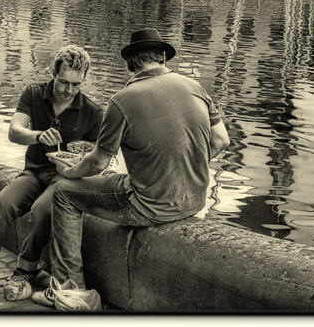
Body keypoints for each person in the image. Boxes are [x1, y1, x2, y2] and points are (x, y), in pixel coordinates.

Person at [32, 29, 231, 307]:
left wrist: (68, 172)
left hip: (152, 205)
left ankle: (71, 291)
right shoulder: (195, 86)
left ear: (131, 64)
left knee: (64, 193)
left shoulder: (122, 100)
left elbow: (98, 162)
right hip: (194, 199)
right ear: (163, 58)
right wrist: (186, 165)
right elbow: (221, 140)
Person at [0, 45, 105, 293]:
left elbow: (99, 157)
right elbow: (15, 132)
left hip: (65, 179)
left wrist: (81, 156)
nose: (69, 90)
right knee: (1, 203)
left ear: (84, 80)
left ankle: (27, 266)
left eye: (76, 85)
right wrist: (38, 136)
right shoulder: (34, 93)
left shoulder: (93, 111)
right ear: (53, 74)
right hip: (34, 172)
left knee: (40, 210)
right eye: (63, 82)